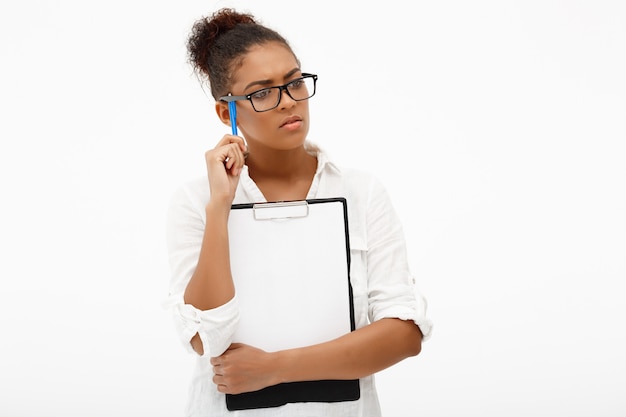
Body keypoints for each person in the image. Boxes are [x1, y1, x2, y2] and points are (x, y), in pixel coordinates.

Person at [165, 7, 433, 416]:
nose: (288, 102)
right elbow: (206, 338)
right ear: (227, 112)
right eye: (262, 92)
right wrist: (221, 206)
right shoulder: (195, 201)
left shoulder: (360, 192)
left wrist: (275, 369)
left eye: (294, 83)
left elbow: (404, 334)